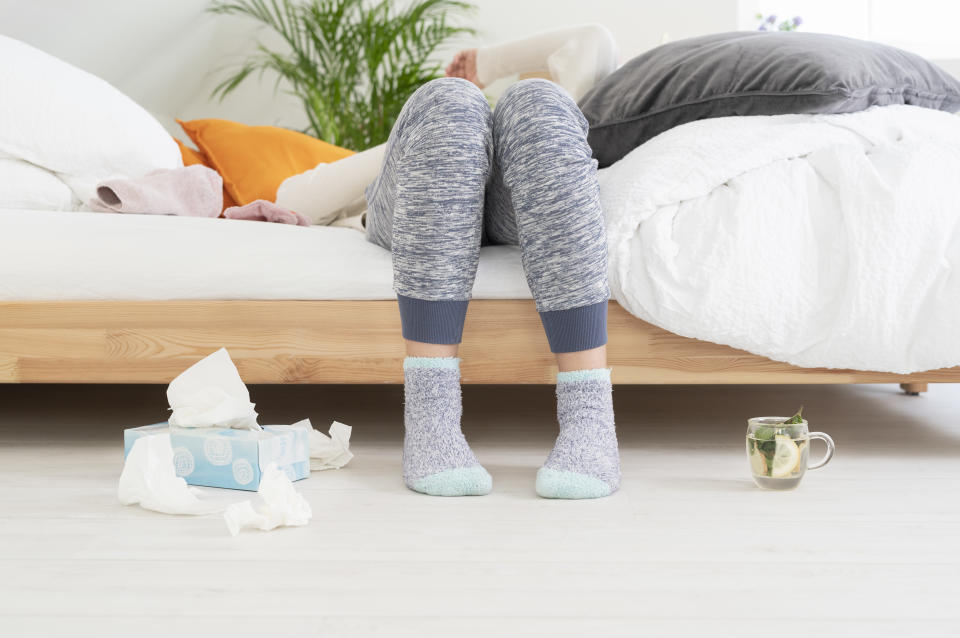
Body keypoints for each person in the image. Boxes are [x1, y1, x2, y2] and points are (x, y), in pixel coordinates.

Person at [278, 24, 621, 499]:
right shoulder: (456, 111)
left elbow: (595, 41)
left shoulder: (568, 103)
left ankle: (590, 418)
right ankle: (430, 418)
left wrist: (495, 76)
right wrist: (476, 86)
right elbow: (295, 196)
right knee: (450, 101)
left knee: (539, 100)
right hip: (420, 194)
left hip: (519, 200)